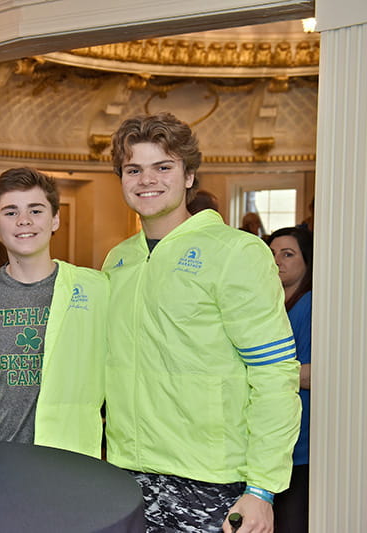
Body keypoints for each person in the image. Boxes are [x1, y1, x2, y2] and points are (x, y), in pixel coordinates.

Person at [102, 113, 300, 533]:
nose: (146, 180)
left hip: (212, 480)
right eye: (133, 169)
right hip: (127, 471)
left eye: (163, 167)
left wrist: (262, 488)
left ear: (189, 175)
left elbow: (274, 373)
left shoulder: (236, 252)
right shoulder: (118, 260)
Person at [0, 168, 107, 458]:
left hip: (69, 457)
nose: (24, 221)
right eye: (10, 212)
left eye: (36, 210)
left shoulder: (95, 289)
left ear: (55, 218)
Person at [267, 227, 313, 533]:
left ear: (307, 261)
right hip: (271, 441)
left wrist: (261, 374)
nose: (278, 261)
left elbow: (315, 373)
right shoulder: (269, 304)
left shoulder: (310, 304)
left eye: (288, 254)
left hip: (300, 439)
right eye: (271, 253)